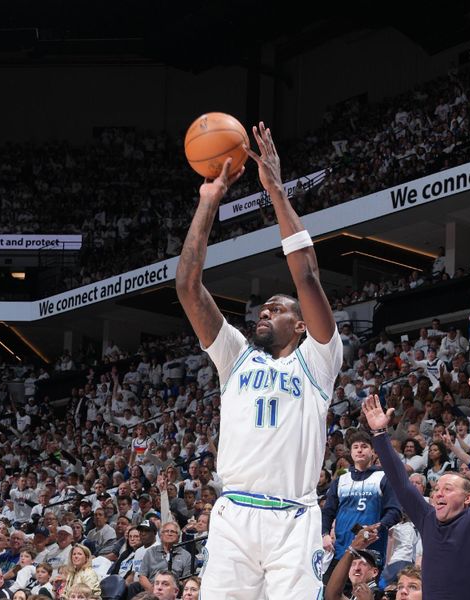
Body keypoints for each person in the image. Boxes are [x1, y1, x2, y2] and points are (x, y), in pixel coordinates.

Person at [175, 122, 343, 599]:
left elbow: (307, 275)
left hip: (293, 516)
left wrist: (276, 192)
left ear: (301, 325)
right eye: (263, 307)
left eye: (278, 307)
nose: (265, 310)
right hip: (234, 516)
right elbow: (187, 285)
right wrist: (209, 203)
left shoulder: (318, 361)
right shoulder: (236, 358)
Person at [362, 378, 470, 600]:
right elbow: (401, 482)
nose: (438, 493)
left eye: (447, 489)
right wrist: (380, 434)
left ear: (468, 498)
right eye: (437, 488)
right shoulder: (428, 518)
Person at [321, 430, 402, 574]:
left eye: (364, 446)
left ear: (373, 452)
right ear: (351, 453)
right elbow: (328, 512)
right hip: (341, 550)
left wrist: (378, 527)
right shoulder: (341, 480)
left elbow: (395, 511)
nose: (359, 450)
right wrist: (325, 534)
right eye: (355, 447)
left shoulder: (383, 477)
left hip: (371, 551)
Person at [324, 523, 381, 600]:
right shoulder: (354, 594)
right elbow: (332, 596)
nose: (356, 568)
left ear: (374, 572)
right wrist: (352, 549)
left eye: (363, 564)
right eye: (353, 564)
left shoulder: (380, 595)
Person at [138, 522, 191, 590]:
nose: (169, 534)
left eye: (173, 532)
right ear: (160, 535)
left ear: (178, 537)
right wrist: (153, 591)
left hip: (174, 590)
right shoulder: (151, 552)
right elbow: (142, 577)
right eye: (166, 531)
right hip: (152, 588)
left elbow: (186, 581)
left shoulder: (186, 555)